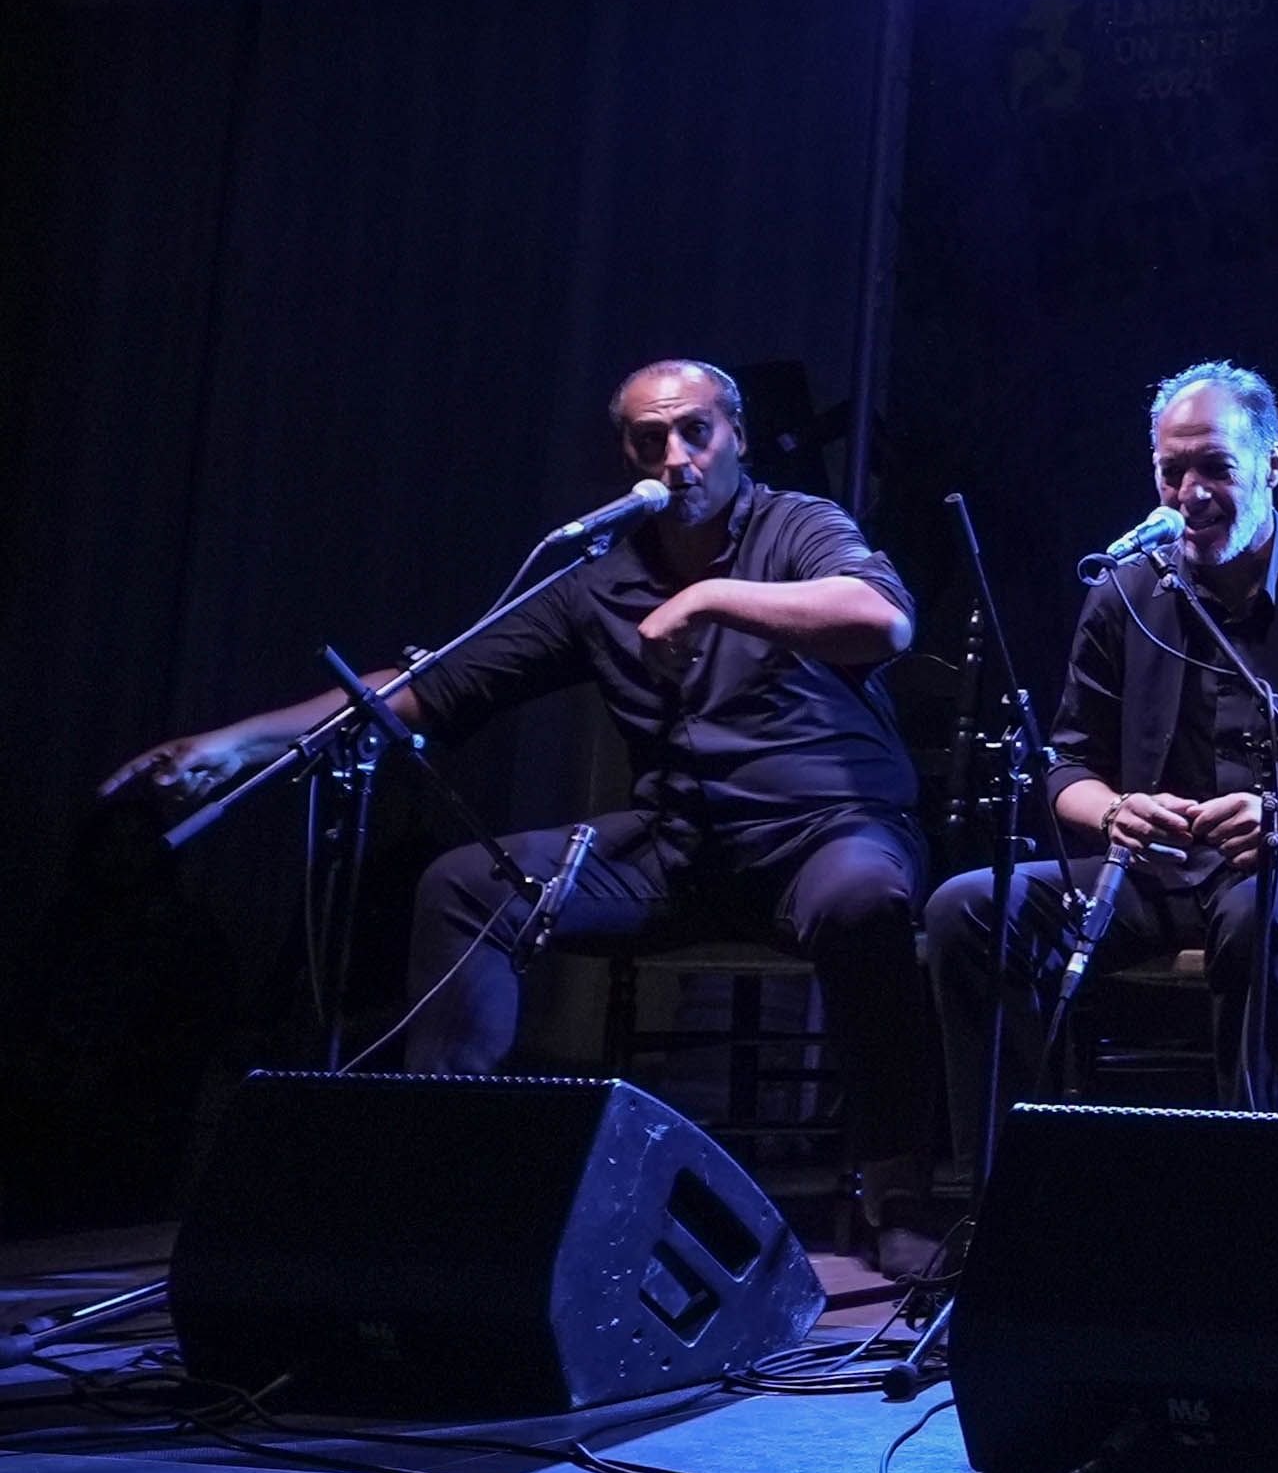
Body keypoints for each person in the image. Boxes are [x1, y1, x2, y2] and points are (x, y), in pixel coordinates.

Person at [106, 360, 947, 1273]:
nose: (676, 457)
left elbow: (879, 621)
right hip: (678, 849)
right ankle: (445, 1171)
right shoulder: (597, 580)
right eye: (650, 439)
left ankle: (895, 1190)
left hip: (823, 835)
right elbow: (436, 685)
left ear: (735, 436)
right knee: (468, 885)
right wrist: (238, 742)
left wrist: (708, 597)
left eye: (695, 432)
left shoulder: (798, 527)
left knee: (865, 899)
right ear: (622, 451)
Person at [921, 364, 1278, 1164]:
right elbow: (1064, 765)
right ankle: (1012, 1195)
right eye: (1172, 472)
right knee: (966, 909)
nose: (1189, 493)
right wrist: (1110, 810)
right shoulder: (1124, 589)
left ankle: (1246, 1194)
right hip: (1157, 872)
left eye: (1215, 468)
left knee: (1257, 915)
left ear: (1272, 465)